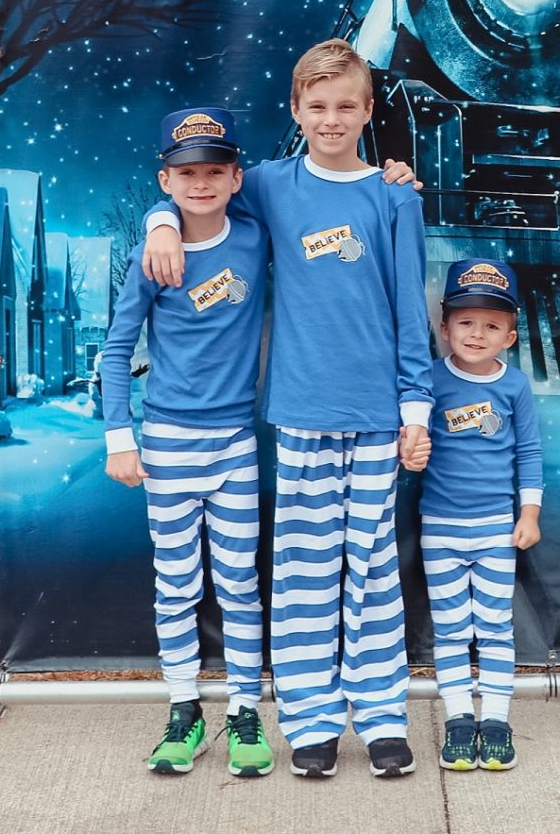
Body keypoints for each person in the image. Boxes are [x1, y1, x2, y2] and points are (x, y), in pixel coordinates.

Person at [143, 38, 433, 779]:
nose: (331, 119)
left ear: (369, 110)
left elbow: (408, 311)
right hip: (301, 410)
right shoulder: (270, 183)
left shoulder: (395, 196)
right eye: (317, 106)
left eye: (345, 106)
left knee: (371, 569)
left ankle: (380, 716)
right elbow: (194, 190)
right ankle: (309, 718)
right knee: (303, 570)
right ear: (297, 111)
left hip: (375, 415)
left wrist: (416, 410)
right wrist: (160, 224)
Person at [99, 106, 274, 778]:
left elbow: (309, 193)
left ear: (235, 177)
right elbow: (116, 352)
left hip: (234, 442)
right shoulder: (152, 258)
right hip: (168, 442)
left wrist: (391, 178)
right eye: (185, 174)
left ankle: (243, 710)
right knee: (176, 585)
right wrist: (122, 436)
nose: (200, 184)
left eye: (214, 171)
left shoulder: (256, 238)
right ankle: (183, 709)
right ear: (165, 179)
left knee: (238, 582)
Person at [420, 258, 542, 772]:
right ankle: (457, 720)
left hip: (496, 527)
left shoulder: (514, 387)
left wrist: (529, 514)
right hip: (439, 529)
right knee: (450, 630)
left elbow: (529, 453)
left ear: (509, 337)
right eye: (466, 322)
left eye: (492, 325)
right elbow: (411, 442)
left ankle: (495, 720)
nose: (477, 333)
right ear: (444, 327)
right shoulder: (428, 382)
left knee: (493, 627)